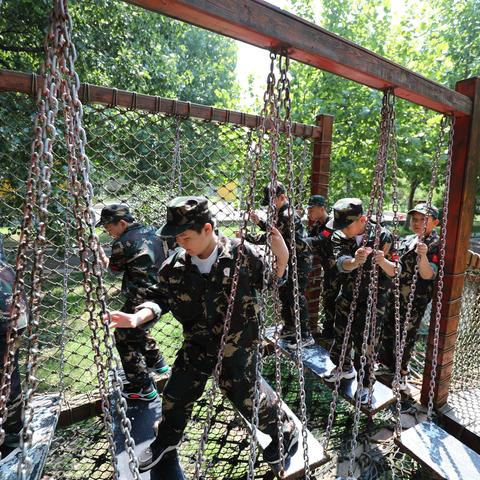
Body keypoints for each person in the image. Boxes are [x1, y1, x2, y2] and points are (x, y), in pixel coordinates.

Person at [106, 196, 299, 472]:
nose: (180, 243)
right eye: (176, 238)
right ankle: (167, 439)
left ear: (207, 229)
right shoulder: (174, 267)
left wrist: (283, 256)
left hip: (237, 345)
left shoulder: (242, 255)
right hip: (198, 342)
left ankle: (284, 430)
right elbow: (158, 297)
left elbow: (273, 278)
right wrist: (138, 316)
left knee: (247, 397)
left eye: (185, 236)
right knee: (175, 394)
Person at [325, 198, 397, 404]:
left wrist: (382, 260)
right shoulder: (341, 236)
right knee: (341, 336)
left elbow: (395, 271)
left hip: (374, 301)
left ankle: (366, 384)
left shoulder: (384, 236)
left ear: (363, 220)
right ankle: (343, 368)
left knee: (366, 344)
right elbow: (340, 264)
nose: (343, 231)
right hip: (347, 296)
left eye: (347, 226)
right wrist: (355, 261)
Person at [97, 204, 169, 402]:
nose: (107, 231)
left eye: (108, 227)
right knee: (137, 329)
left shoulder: (122, 241)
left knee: (122, 335)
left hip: (141, 294)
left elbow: (114, 269)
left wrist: (102, 257)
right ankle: (158, 362)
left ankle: (142, 387)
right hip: (163, 291)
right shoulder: (153, 230)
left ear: (121, 223)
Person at [379, 203, 440, 391]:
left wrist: (423, 257)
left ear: (435, 222)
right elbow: (396, 270)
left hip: (416, 299)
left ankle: (402, 373)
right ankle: (385, 366)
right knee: (388, 329)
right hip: (396, 295)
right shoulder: (407, 240)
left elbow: (428, 274)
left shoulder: (437, 245)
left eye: (424, 219)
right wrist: (382, 260)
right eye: (415, 219)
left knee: (406, 335)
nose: (418, 222)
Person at [246, 182, 314, 348]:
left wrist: (248, 237)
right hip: (289, 259)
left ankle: (305, 334)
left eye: (272, 202)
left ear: (282, 197)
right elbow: (274, 230)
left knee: (296, 295)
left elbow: (274, 237)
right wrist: (259, 222)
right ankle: (291, 326)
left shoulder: (287, 214)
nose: (270, 206)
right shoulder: (281, 212)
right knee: (285, 293)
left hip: (300, 260)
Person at [0, 236, 28, 458]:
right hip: (14, 320)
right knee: (9, 375)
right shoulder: (5, 267)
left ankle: (11, 436)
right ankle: (12, 434)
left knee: (7, 380)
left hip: (6, 323)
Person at [305, 194, 341, 345]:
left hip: (339, 270)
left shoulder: (331, 223)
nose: (309, 212)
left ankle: (336, 335)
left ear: (321, 208)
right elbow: (310, 238)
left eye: (312, 209)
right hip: (329, 270)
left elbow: (320, 240)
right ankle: (328, 333)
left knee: (337, 301)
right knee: (328, 299)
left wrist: (299, 241)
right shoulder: (317, 225)